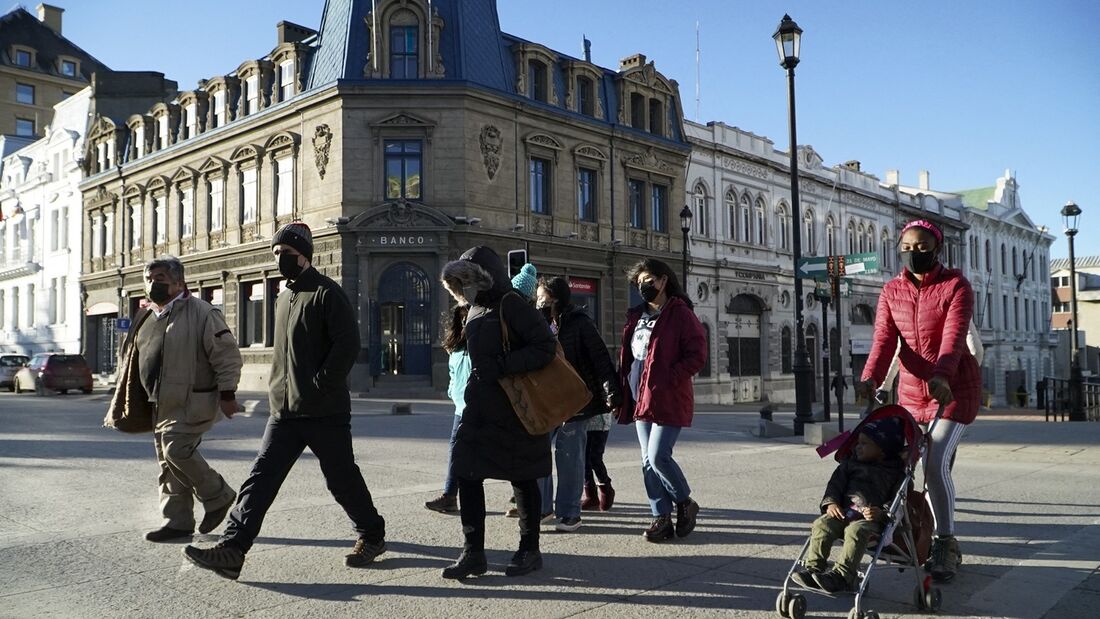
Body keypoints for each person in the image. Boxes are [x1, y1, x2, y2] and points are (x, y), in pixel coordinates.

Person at [184, 222, 387, 580]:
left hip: (324, 411)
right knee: (260, 479)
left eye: (287, 254)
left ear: (304, 256)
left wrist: (320, 385)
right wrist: (277, 390)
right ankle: (233, 549)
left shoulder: (327, 293)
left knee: (341, 480)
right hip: (284, 411)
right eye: (276, 254)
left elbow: (347, 345)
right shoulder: (283, 297)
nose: (280, 260)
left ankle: (372, 534)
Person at [856, 219, 981, 583]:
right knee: (904, 464)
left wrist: (942, 375)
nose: (914, 253)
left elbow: (954, 337)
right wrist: (870, 379)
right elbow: (883, 341)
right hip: (912, 393)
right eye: (907, 247)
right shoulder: (890, 291)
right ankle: (905, 532)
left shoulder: (956, 285)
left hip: (955, 390)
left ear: (937, 249)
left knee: (936, 462)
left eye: (922, 247)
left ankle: (945, 543)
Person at [438, 246, 556, 579]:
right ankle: (473, 553)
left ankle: (529, 550)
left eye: (470, 278)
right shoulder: (475, 308)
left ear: (487, 277)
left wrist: (502, 366)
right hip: (479, 406)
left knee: (522, 477)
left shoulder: (512, 304)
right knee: (466, 472)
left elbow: (545, 347)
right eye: (461, 281)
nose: (466, 286)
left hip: (515, 407)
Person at [107, 256, 241, 542]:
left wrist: (228, 394)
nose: (153, 284)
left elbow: (227, 355)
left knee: (176, 451)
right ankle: (177, 522)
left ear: (179, 282)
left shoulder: (202, 312)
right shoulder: (145, 315)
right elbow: (132, 358)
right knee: (168, 465)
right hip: (157, 402)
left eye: (160, 279)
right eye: (149, 279)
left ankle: (218, 495)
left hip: (191, 401)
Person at [614, 258, 707, 542]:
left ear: (664, 281)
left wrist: (669, 378)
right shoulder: (637, 315)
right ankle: (661, 516)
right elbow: (630, 356)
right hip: (639, 395)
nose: (643, 287)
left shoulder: (680, 314)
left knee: (658, 456)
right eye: (639, 283)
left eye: (649, 282)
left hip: (667, 396)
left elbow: (697, 355)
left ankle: (685, 501)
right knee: (646, 461)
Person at [535, 277, 620, 532]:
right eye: (538, 298)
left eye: (544, 299)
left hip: (574, 400)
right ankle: (542, 508)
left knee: (569, 457)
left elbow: (600, 359)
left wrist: (611, 392)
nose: (539, 303)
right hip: (545, 401)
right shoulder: (537, 325)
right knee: (536, 454)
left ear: (557, 300)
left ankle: (570, 513)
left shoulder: (580, 323)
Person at [792, 418, 906, 593]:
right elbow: (835, 486)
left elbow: (898, 501)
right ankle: (814, 568)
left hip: (870, 520)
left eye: (864, 444)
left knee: (856, 531)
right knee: (822, 524)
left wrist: (882, 513)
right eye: (857, 443)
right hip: (844, 511)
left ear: (882, 450)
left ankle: (843, 576)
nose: (857, 447)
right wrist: (831, 503)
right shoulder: (850, 464)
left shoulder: (895, 473)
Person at [424, 304, 471, 514]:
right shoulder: (457, 347)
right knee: (457, 451)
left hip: (476, 406)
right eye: (461, 319)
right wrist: (453, 392)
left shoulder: (478, 345)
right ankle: (450, 496)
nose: (464, 323)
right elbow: (453, 375)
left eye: (467, 318)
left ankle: (521, 493)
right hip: (460, 408)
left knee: (484, 453)